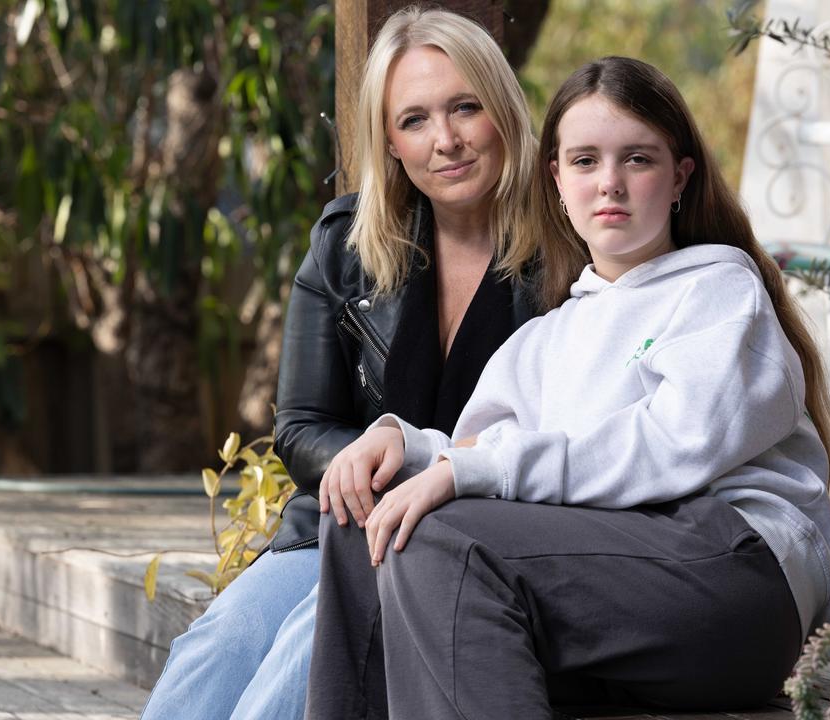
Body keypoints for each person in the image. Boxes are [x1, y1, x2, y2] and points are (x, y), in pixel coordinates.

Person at [305, 56, 830, 719]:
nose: (610, 183)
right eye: (586, 161)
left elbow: (672, 444)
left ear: (680, 178)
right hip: (614, 586)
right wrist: (404, 445)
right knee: (364, 521)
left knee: (445, 540)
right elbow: (489, 449)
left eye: (638, 160)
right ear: (557, 180)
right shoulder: (545, 338)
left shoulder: (718, 290)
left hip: (741, 575)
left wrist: (468, 469)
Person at [140, 7, 549, 719]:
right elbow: (301, 426)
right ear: (389, 140)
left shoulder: (565, 253)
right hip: (342, 524)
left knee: (302, 656)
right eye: (415, 120)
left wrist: (417, 470)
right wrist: (360, 462)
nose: (445, 140)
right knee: (220, 642)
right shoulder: (347, 246)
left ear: (503, 111)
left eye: (465, 108)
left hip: (462, 542)